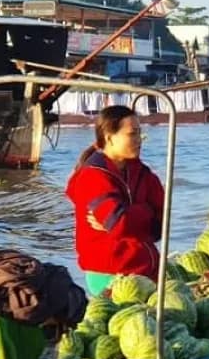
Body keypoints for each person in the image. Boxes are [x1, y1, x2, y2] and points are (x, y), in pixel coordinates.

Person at [65, 105, 166, 296]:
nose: (139, 140)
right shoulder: (92, 177)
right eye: (132, 134)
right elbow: (118, 222)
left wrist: (132, 214)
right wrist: (145, 211)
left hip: (145, 269)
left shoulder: (142, 173)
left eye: (139, 133)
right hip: (110, 273)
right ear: (109, 137)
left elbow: (161, 225)